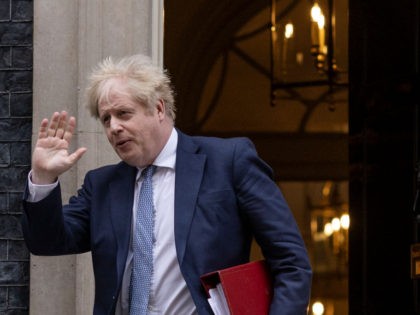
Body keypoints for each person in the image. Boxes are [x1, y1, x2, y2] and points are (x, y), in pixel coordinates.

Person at [21, 54, 312, 315]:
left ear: (158, 108)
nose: (113, 127)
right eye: (106, 119)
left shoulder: (228, 162)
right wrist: (44, 177)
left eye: (123, 113)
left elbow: (291, 262)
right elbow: (47, 241)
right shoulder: (102, 186)